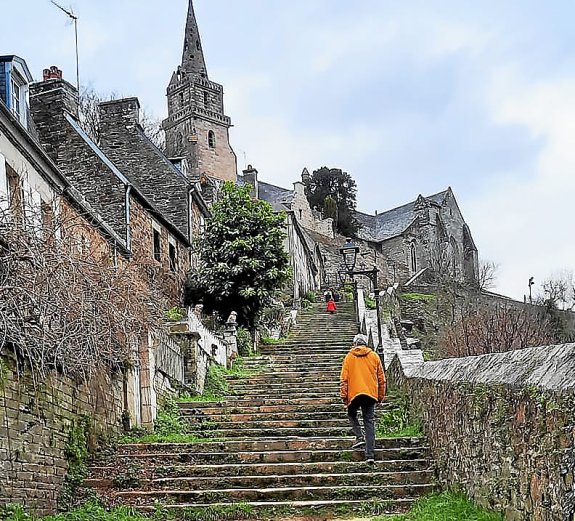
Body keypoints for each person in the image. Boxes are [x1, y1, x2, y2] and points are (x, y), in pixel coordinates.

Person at [339, 334, 385, 464]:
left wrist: (344, 397)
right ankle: (370, 455)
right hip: (370, 394)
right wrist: (380, 396)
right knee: (369, 422)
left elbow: (344, 380)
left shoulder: (349, 357)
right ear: (365, 343)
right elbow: (381, 379)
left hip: (354, 394)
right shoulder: (374, 356)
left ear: (355, 344)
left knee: (351, 413)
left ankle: (359, 436)